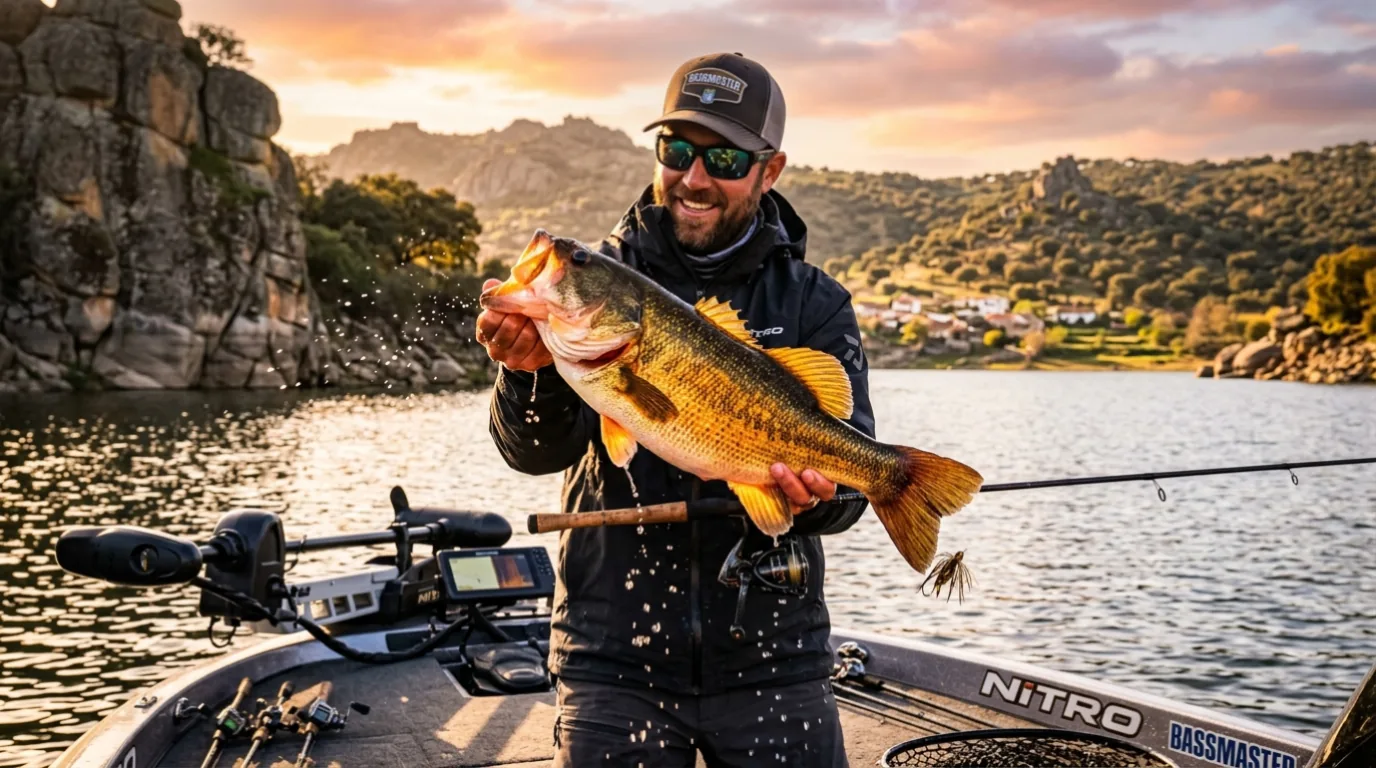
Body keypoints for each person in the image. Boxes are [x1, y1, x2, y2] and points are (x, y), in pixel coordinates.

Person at [478, 52, 873, 767]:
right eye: (677, 149)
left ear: (769, 169)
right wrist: (525, 373)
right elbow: (532, 453)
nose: (694, 177)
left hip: (774, 662)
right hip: (612, 663)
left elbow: (846, 497)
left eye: (722, 156)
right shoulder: (595, 283)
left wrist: (818, 497)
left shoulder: (815, 304)